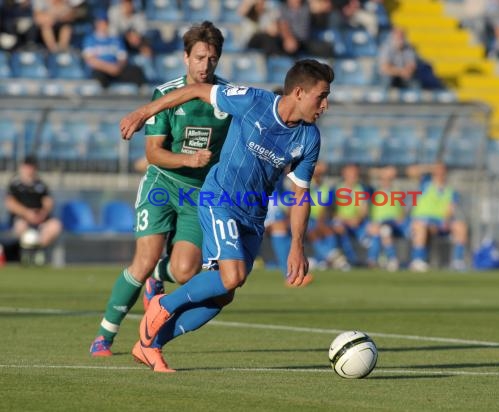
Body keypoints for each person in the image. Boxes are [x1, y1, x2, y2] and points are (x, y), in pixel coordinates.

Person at [120, 58, 334, 372]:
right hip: (218, 199)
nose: (326, 105)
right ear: (299, 92)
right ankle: (162, 304)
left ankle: (149, 345)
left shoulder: (309, 138)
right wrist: (143, 112)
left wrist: (297, 246)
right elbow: (195, 90)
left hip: (253, 216)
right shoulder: (252, 101)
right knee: (231, 276)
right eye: (321, 96)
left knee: (224, 294)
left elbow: (301, 195)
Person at [89, 21, 232, 358]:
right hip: (163, 185)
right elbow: (153, 153)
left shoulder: (226, 97)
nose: (205, 65)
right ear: (185, 57)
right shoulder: (165, 94)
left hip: (199, 195)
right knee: (143, 259)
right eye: (199, 57)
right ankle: (104, 336)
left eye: (211, 59)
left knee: (184, 271)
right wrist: (190, 160)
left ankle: (160, 273)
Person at [407, 163, 468, 272]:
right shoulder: (425, 184)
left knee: (460, 226)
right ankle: (418, 260)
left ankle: (457, 261)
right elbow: (411, 171)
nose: (440, 174)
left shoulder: (450, 191)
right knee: (420, 226)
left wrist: (446, 221)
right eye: (438, 171)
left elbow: (450, 209)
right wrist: (429, 168)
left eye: (442, 171)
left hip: (440, 222)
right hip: (423, 220)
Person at [4, 155, 62, 264]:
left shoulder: (40, 185)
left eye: (32, 167)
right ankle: (26, 253)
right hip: (22, 218)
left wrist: (42, 214)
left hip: (40, 218)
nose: (29, 170)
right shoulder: (15, 184)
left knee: (55, 225)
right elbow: (10, 203)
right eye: (27, 166)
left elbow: (48, 202)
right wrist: (27, 213)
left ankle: (37, 251)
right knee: (21, 226)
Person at [81, 9, 145, 89]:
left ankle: (141, 95)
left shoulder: (115, 39)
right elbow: (90, 60)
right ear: (96, 23)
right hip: (101, 70)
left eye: (105, 22)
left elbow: (123, 58)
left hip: (117, 69)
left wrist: (117, 67)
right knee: (99, 76)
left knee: (136, 71)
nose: (103, 25)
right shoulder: (90, 39)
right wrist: (109, 68)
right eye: (101, 22)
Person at [366, 166, 406, 272]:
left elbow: (401, 212)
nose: (386, 181)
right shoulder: (374, 191)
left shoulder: (396, 191)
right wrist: (383, 171)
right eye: (383, 179)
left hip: (393, 223)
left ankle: (391, 259)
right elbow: (367, 173)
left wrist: (400, 218)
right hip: (376, 223)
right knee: (377, 230)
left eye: (388, 179)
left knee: (385, 229)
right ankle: (374, 261)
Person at [332, 163, 371, 266]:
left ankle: (372, 260)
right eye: (350, 173)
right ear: (344, 174)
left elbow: (364, 210)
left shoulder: (362, 188)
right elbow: (331, 210)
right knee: (339, 227)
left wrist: (358, 218)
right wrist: (345, 220)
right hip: (342, 220)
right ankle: (351, 260)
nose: (353, 176)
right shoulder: (336, 188)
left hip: (357, 221)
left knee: (374, 230)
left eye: (355, 173)